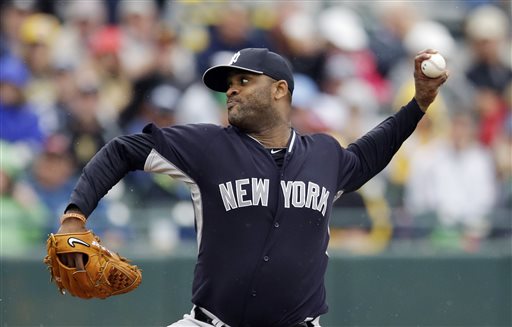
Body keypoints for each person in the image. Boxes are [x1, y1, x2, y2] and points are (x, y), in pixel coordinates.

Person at [55, 47, 447, 327]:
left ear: (280, 90)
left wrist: (419, 104)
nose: (231, 89)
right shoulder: (207, 146)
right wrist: (75, 215)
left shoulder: (325, 155)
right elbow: (124, 149)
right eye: (229, 84)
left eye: (244, 80)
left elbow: (367, 155)